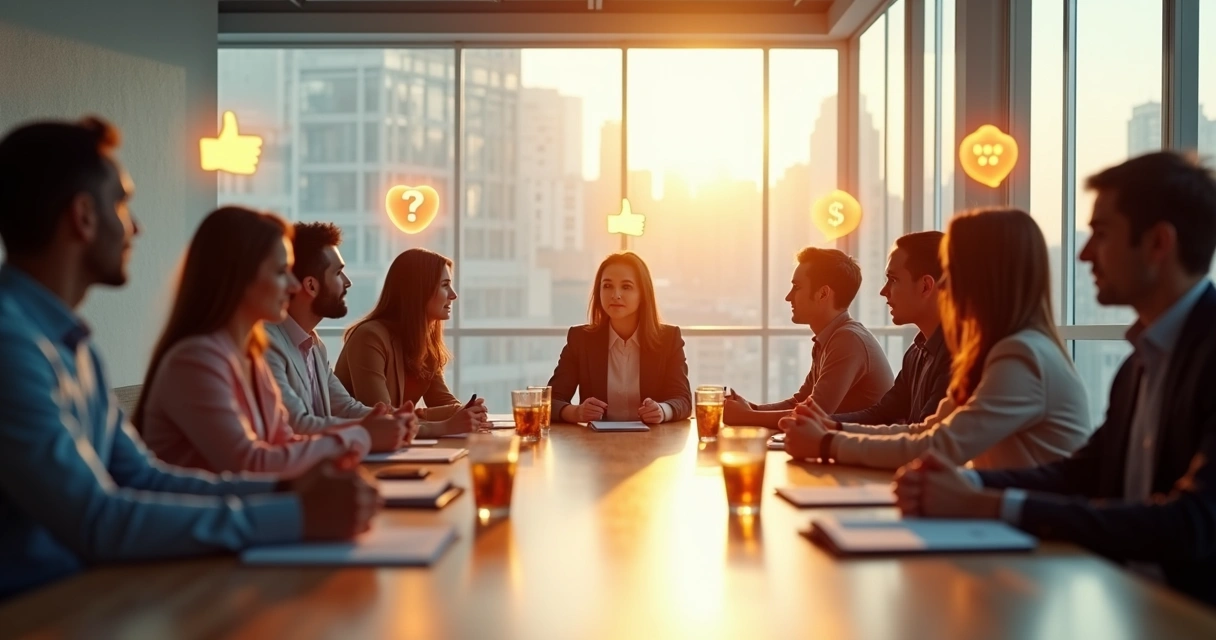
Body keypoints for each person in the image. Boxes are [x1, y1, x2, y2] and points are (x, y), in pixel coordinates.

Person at [0, 117, 376, 599]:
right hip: (34, 608)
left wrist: (287, 493)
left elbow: (143, 477)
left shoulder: (76, 346)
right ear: (84, 217)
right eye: (121, 202)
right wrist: (295, 514)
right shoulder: (11, 345)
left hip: (85, 593)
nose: (135, 225)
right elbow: (95, 518)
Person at [893, 152, 1216, 607]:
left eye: (1100, 235)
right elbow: (1084, 472)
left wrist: (988, 504)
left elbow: (1195, 522)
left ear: (1158, 243)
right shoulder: (1140, 363)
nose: (1084, 253)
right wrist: (970, 487)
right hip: (1129, 597)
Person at [782, 209, 1093, 470]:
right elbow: (928, 430)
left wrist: (827, 441)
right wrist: (833, 429)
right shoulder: (995, 350)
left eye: (953, 269)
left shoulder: (1021, 355)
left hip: (1038, 537)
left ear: (985, 277)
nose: (942, 284)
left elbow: (937, 447)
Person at [135, 207, 382, 477]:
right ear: (239, 277)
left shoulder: (251, 355)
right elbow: (250, 464)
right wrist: (358, 437)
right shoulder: (194, 359)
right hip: (202, 517)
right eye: (280, 271)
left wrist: (364, 435)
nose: (292, 285)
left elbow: (283, 440)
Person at [264, 222, 418, 448]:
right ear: (311, 285)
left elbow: (346, 409)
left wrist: (391, 419)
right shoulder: (268, 343)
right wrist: (370, 430)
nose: (347, 282)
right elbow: (297, 424)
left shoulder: (314, 344)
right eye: (338, 273)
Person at [725, 248, 893, 429]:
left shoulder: (848, 340)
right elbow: (800, 403)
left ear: (823, 294)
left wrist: (746, 416)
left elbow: (810, 416)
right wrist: (752, 409)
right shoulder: (831, 338)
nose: (788, 297)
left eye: (796, 287)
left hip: (861, 454)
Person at [335, 248, 487, 436]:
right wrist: (441, 416)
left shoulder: (424, 341)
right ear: (419, 290)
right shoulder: (369, 337)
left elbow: (442, 402)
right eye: (445, 285)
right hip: (359, 454)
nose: (453, 294)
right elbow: (382, 418)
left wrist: (467, 413)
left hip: (395, 448)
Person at [548, 251, 691, 424]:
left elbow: (683, 400)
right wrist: (576, 412)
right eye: (607, 286)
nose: (615, 295)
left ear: (642, 293)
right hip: (596, 445)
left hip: (653, 444)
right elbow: (550, 401)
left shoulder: (668, 339)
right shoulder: (581, 339)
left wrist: (662, 410)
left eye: (626, 287)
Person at [830, 231, 951, 426]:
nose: (883, 291)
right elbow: (883, 414)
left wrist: (827, 433)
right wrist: (824, 424)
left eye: (893, 280)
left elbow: (924, 437)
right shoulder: (916, 352)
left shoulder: (957, 357)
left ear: (925, 286)